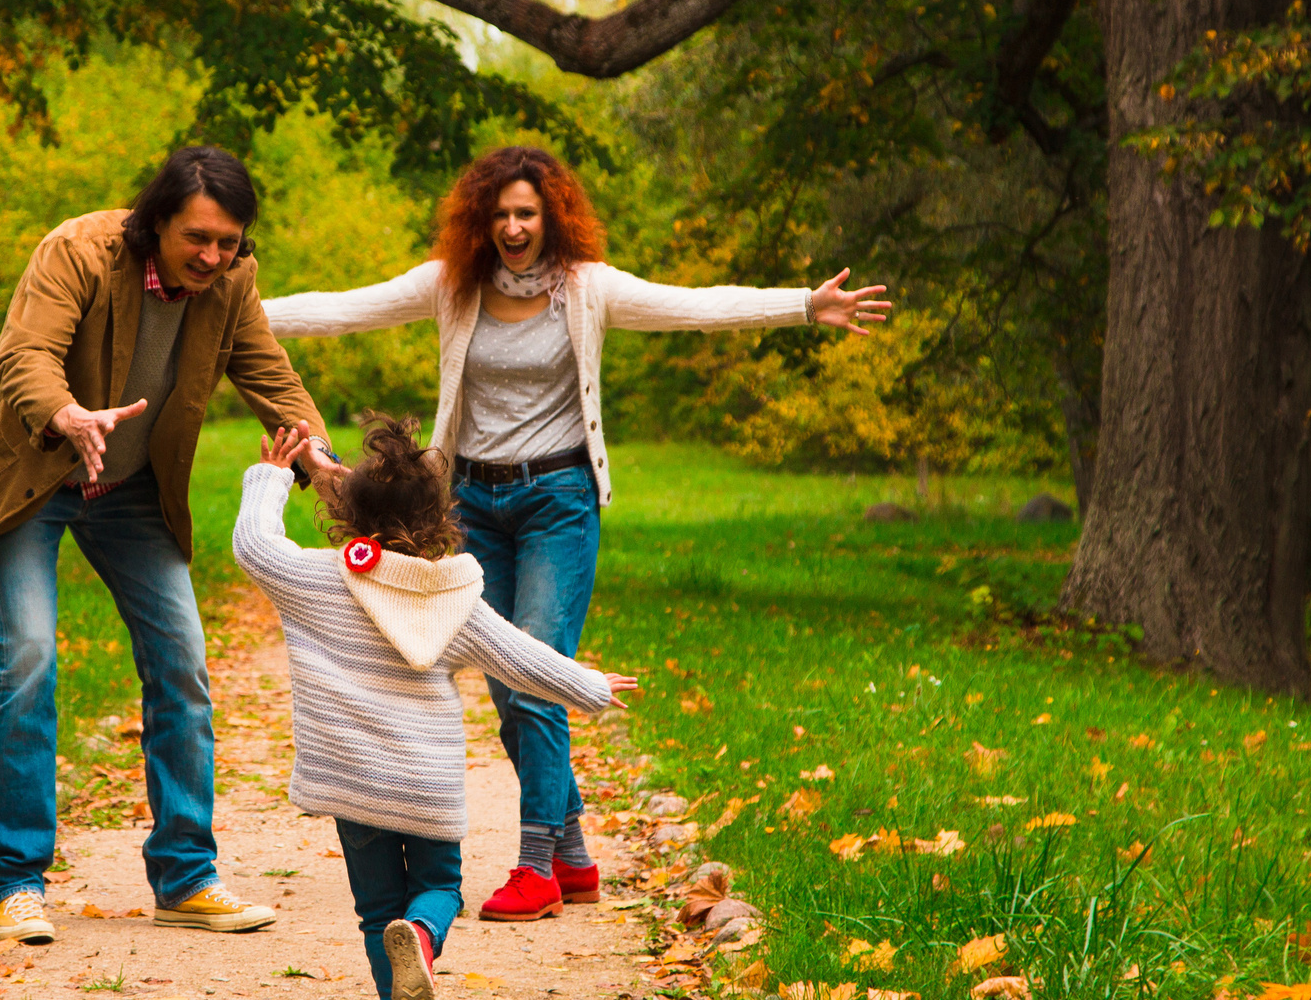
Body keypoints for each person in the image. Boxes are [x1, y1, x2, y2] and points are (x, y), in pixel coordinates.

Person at [264, 146, 888, 924]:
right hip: (474, 506)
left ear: (551, 215)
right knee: (508, 677)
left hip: (558, 496)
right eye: (500, 216)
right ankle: (576, 852)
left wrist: (803, 305)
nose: (514, 227)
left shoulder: (587, 289)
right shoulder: (453, 286)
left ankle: (537, 870)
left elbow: (692, 306)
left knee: (536, 670)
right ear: (480, 223)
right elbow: (343, 307)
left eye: (527, 213)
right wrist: (232, 311)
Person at [0, 146, 343, 946]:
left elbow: (273, 378)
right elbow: (26, 355)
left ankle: (186, 874)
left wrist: (320, 460)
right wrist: (68, 416)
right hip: (34, 468)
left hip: (126, 491)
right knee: (25, 656)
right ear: (156, 220)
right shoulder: (77, 251)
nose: (212, 255)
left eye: (228, 242)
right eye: (198, 237)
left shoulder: (230, 284)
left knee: (183, 660)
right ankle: (18, 881)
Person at [231, 415, 636, 1000]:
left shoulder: (315, 579)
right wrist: (589, 685)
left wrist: (273, 476)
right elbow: (521, 658)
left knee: (373, 911)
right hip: (427, 786)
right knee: (438, 888)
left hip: (353, 787)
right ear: (441, 519)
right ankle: (422, 934)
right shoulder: (456, 599)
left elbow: (254, 545)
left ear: (347, 514)